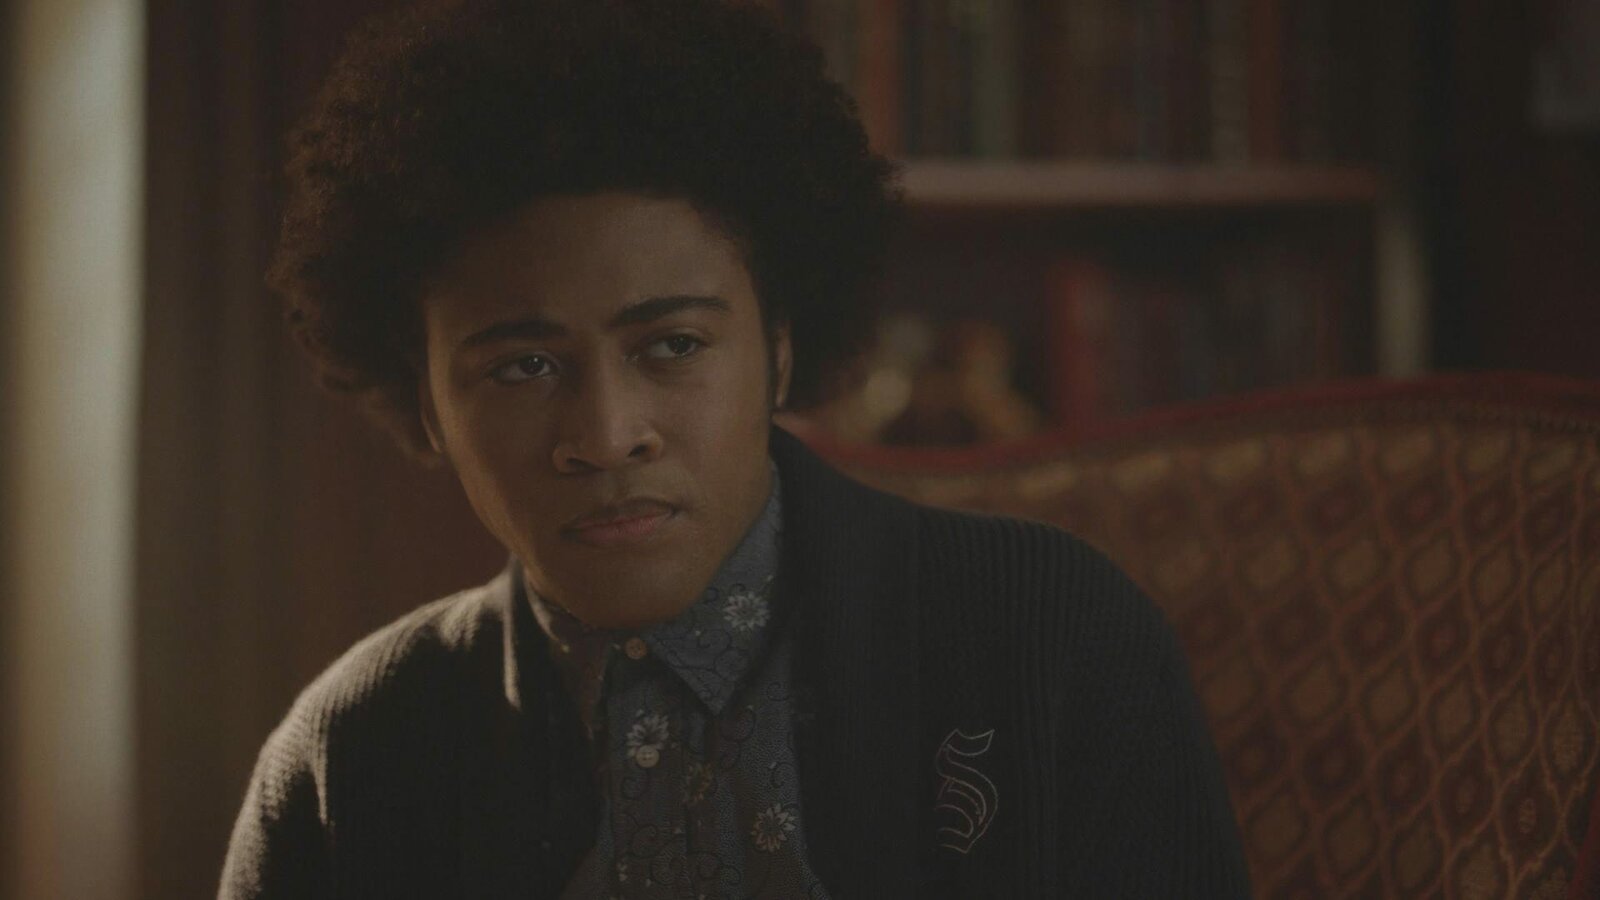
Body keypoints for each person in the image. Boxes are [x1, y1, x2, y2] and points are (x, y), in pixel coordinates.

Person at [219, 0, 1250, 896]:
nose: (605, 435)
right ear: (427, 403)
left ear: (780, 350)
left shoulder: (1054, 642)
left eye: (672, 345)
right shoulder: (352, 753)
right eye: (523, 367)